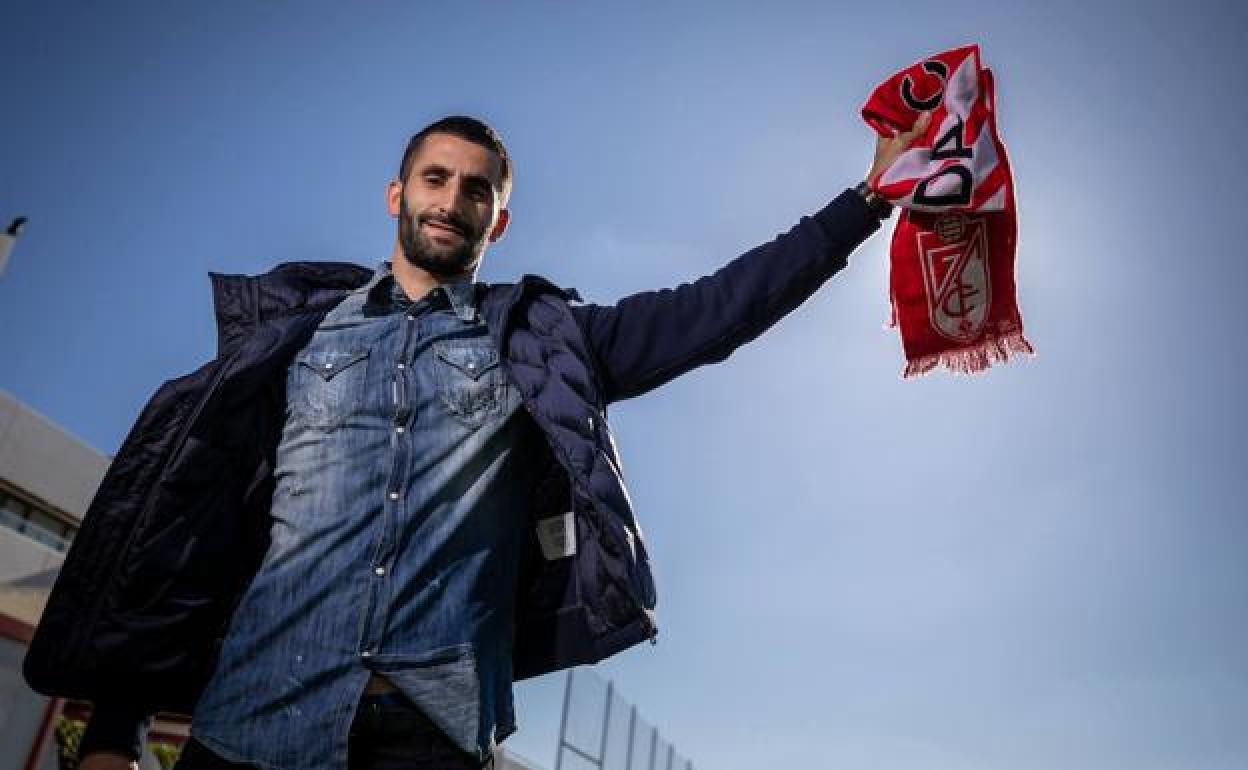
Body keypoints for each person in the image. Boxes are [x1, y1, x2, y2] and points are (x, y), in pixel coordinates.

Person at [25, 112, 926, 770]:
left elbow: (716, 310)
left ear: (499, 220)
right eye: (435, 179)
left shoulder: (545, 341)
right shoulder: (294, 339)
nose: (453, 200)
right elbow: (195, 535)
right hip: (251, 727)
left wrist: (862, 201)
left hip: (431, 738)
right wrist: (113, 729)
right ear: (397, 194)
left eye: (477, 190)